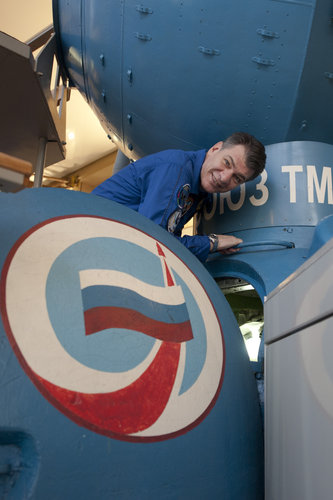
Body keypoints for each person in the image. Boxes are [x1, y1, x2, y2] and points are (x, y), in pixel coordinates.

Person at [93, 132, 266, 262]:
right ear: (215, 149)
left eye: (237, 178)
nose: (224, 178)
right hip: (93, 244)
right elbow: (156, 244)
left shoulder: (199, 190)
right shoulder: (176, 169)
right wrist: (213, 242)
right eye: (227, 162)